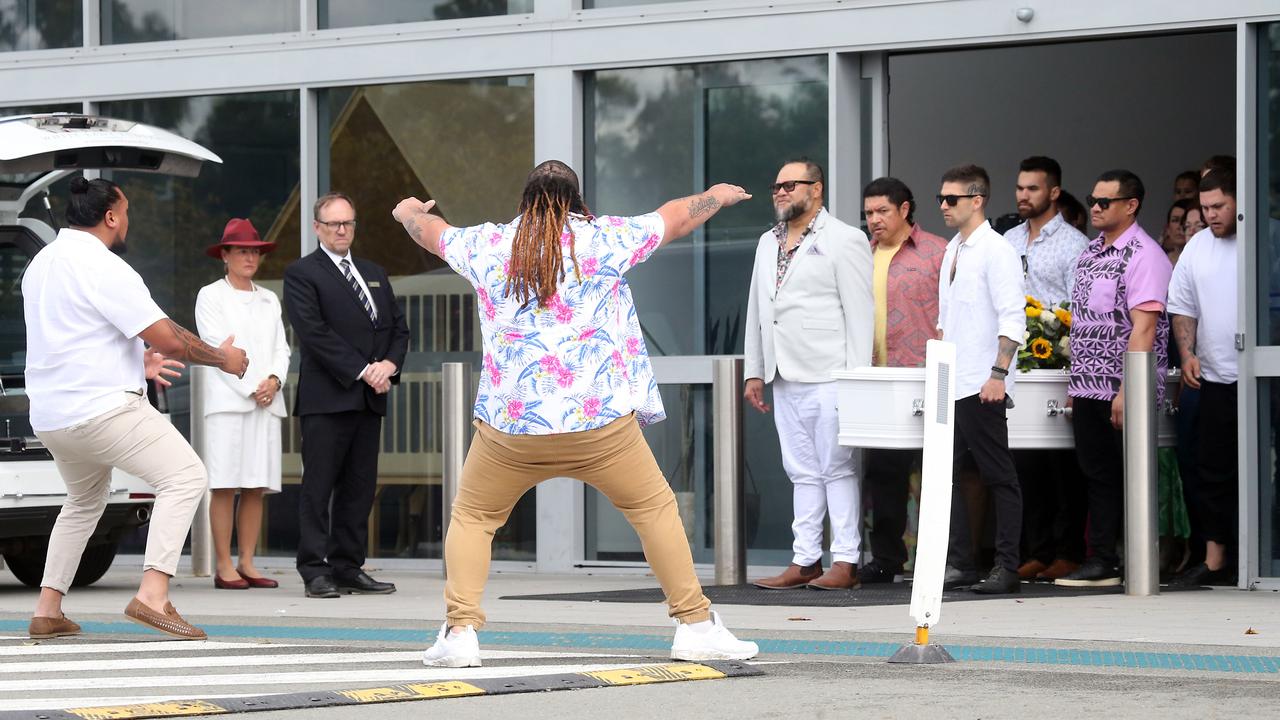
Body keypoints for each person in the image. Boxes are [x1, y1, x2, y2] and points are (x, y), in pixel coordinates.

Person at [393, 160, 758, 667]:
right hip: (601, 428)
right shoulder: (604, 240)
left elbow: (430, 232)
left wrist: (407, 210)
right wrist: (716, 195)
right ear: (578, 203)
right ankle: (694, 625)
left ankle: (459, 635)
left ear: (524, 202)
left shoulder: (487, 245)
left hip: (510, 430)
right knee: (654, 512)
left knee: (474, 518)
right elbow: (675, 217)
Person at [24, 177, 248, 640]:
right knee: (185, 476)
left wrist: (134, 360)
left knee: (84, 500)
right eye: (125, 213)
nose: (128, 221)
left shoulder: (40, 263)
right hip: (102, 410)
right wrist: (225, 359)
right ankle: (152, 594)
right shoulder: (104, 266)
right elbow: (169, 336)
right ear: (110, 217)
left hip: (52, 416)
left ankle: (48, 608)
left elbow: (70, 335)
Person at [744, 159, 874, 591]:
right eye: (775, 186)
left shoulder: (845, 239)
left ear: (816, 189)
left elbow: (860, 315)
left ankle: (847, 560)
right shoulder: (768, 241)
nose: (780, 192)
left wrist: (858, 381)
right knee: (800, 469)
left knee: (837, 467)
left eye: (789, 185)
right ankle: (805, 560)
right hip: (785, 372)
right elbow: (758, 311)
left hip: (830, 371)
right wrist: (755, 371)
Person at [284, 192, 410, 599]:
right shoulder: (303, 273)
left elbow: (397, 328)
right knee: (319, 487)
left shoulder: (373, 271)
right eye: (334, 223)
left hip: (369, 398)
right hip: (328, 397)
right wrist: (364, 370)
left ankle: (347, 566)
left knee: (360, 486)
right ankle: (314, 570)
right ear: (317, 227)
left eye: (348, 223)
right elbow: (314, 333)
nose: (342, 230)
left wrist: (389, 365)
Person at [1057, 170, 1172, 588]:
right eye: (1093, 200)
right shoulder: (1089, 252)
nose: (1096, 208)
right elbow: (1084, 323)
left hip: (1123, 385)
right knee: (1093, 471)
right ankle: (1101, 557)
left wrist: (1129, 390)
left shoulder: (1145, 254)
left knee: (1117, 474)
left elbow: (1143, 329)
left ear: (1131, 205)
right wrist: (1075, 385)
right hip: (1088, 384)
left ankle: (1109, 560)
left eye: (1105, 202)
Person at [935, 165, 1026, 595]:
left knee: (998, 474)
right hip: (951, 379)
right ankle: (960, 563)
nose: (943, 206)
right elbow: (946, 322)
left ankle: (1007, 566)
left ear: (977, 200)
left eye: (951, 199)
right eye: (940, 198)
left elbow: (1013, 316)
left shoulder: (997, 250)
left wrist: (998, 374)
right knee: (943, 474)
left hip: (982, 381)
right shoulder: (953, 250)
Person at [1002, 156, 1090, 583]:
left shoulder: (1074, 245)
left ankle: (1068, 552)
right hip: (1018, 366)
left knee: (1062, 468)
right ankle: (1036, 550)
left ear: (1054, 192)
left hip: (1059, 364)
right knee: (1024, 464)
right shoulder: (1009, 239)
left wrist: (1076, 372)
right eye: (1020, 188)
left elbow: (1082, 311)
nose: (1023, 195)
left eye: (1033, 188)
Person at [857, 177, 946, 584]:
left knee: (938, 472)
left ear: (905, 210)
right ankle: (886, 558)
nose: (874, 220)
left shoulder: (938, 254)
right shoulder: (862, 254)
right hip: (879, 380)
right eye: (869, 213)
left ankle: (941, 558)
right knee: (882, 474)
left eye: (882, 212)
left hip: (929, 378)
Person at [195, 219, 291, 590]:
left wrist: (274, 382)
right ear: (225, 255)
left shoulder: (269, 298)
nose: (250, 256)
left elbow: (282, 348)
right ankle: (223, 564)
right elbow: (216, 349)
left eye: (255, 250)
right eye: (242, 250)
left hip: (267, 402)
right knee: (225, 484)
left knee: (256, 485)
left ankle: (248, 561)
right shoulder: (210, 295)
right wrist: (254, 387)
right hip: (228, 402)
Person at [1168, 169, 1239, 587]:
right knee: (1212, 468)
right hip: (1214, 376)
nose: (1210, 215)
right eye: (1206, 207)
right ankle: (1215, 559)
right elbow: (1182, 305)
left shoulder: (1265, 239)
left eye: (1219, 207)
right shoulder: (1197, 246)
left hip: (1264, 375)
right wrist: (1188, 354)